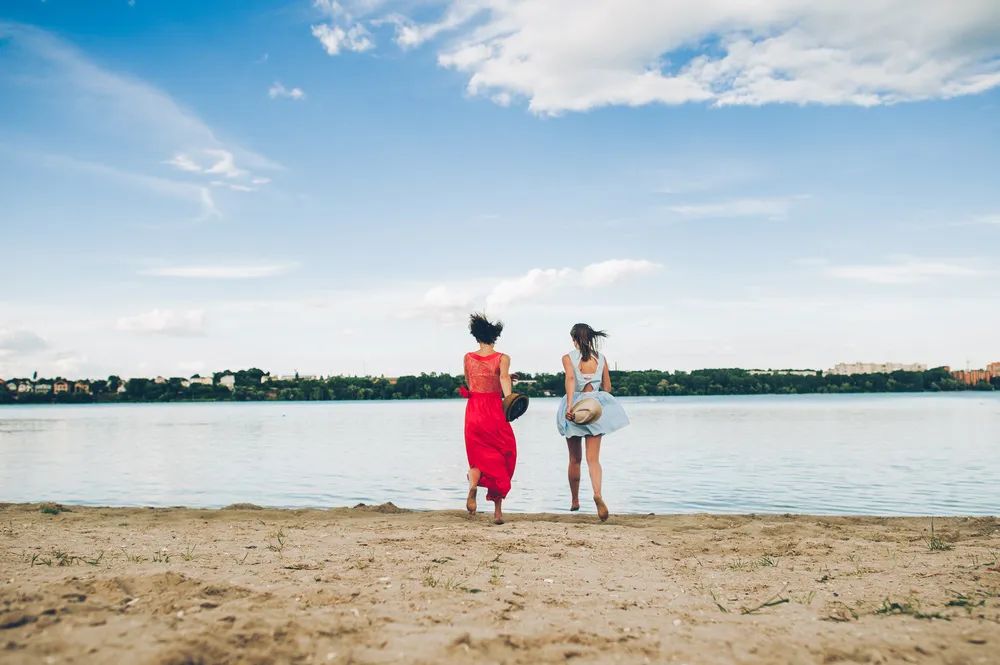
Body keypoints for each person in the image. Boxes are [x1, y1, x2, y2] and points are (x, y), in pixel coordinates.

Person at [556, 323, 629, 521]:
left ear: (574, 339)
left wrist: (570, 406)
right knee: (593, 460)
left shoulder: (568, 357)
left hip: (575, 408)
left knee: (574, 459)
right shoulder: (602, 358)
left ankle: (575, 500)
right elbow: (607, 386)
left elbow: (571, 379)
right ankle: (597, 494)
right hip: (594, 409)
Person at [460, 313, 517, 525]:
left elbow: (470, 383)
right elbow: (501, 379)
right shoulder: (502, 358)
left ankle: (472, 487)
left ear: (476, 336)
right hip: (494, 410)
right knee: (502, 454)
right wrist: (510, 396)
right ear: (495, 336)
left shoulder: (468, 358)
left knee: (478, 457)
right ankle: (498, 512)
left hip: (474, 411)